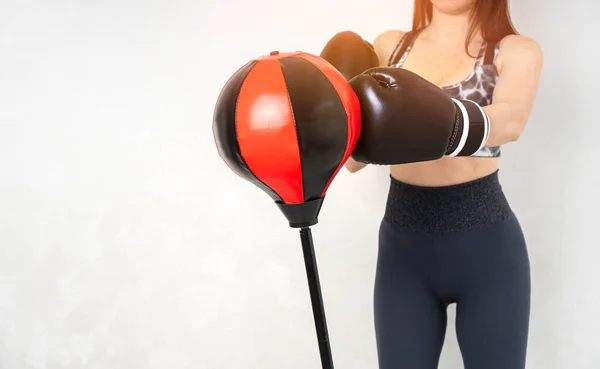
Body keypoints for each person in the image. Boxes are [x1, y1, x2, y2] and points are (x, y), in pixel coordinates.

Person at [319, 0, 543, 368]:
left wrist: (432, 122)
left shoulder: (514, 50)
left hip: (488, 254)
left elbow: (510, 121)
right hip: (404, 255)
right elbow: (355, 162)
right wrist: (324, 122)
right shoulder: (390, 48)